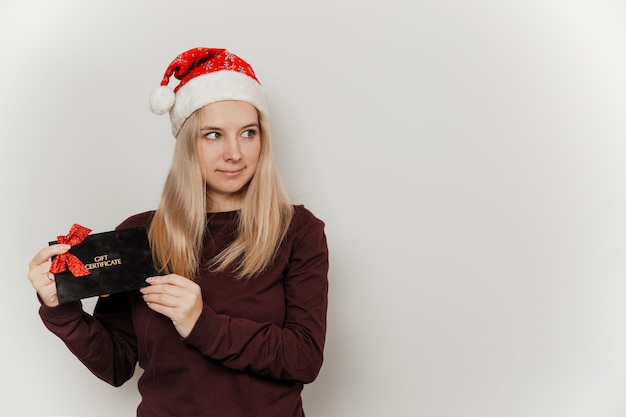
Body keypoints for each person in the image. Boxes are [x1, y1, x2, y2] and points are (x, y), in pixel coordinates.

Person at [27, 47, 329, 417]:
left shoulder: (298, 230)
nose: (234, 153)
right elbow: (118, 363)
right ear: (187, 143)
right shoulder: (139, 234)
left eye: (248, 133)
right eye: (213, 135)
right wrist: (62, 310)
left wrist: (202, 323)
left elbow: (304, 358)